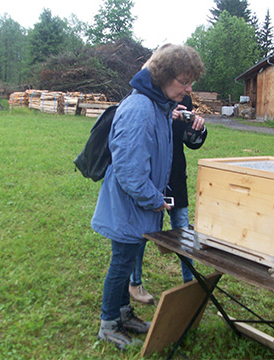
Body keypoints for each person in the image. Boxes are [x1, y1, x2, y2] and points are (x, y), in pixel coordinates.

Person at [91, 44, 205, 350]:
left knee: (126, 261)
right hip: (130, 205)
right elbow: (130, 173)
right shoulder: (139, 110)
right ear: (163, 77)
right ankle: (108, 323)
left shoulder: (159, 107)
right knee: (121, 265)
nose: (189, 87)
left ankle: (124, 314)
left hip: (139, 206)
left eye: (190, 81)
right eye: (183, 81)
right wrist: (155, 200)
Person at [129, 94, 207, 304]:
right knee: (144, 230)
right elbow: (138, 136)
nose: (186, 87)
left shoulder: (185, 99)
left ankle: (189, 283)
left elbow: (190, 142)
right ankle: (134, 283)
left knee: (182, 229)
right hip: (152, 174)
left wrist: (197, 127)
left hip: (176, 175)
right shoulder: (147, 97)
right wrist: (164, 117)